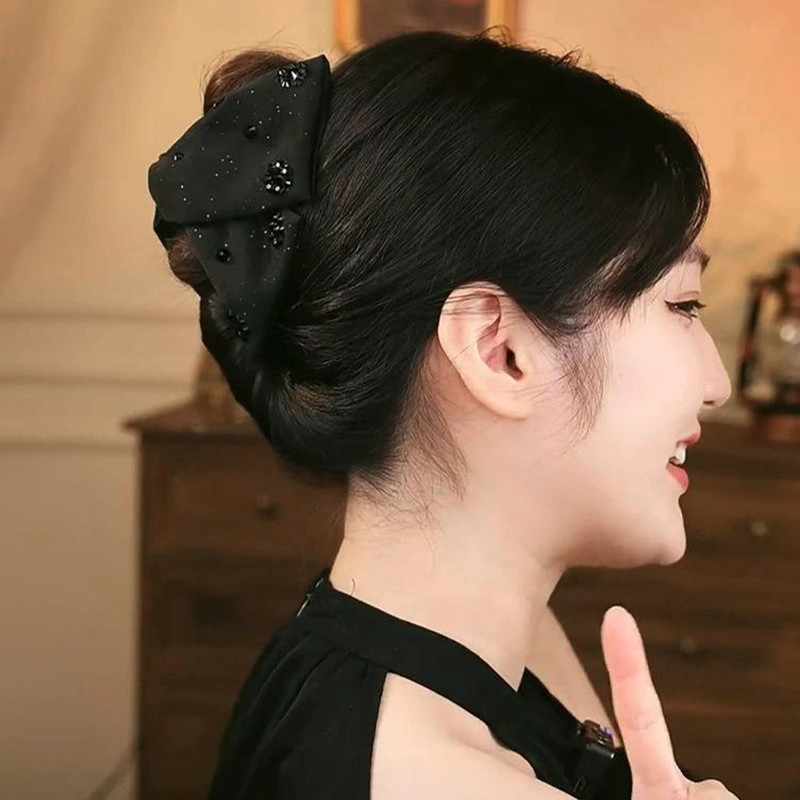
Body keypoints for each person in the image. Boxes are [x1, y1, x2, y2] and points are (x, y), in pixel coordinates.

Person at [148, 27, 736, 800]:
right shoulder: (436, 779)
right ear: (499, 350)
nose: (718, 383)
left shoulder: (461, 644)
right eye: (684, 305)